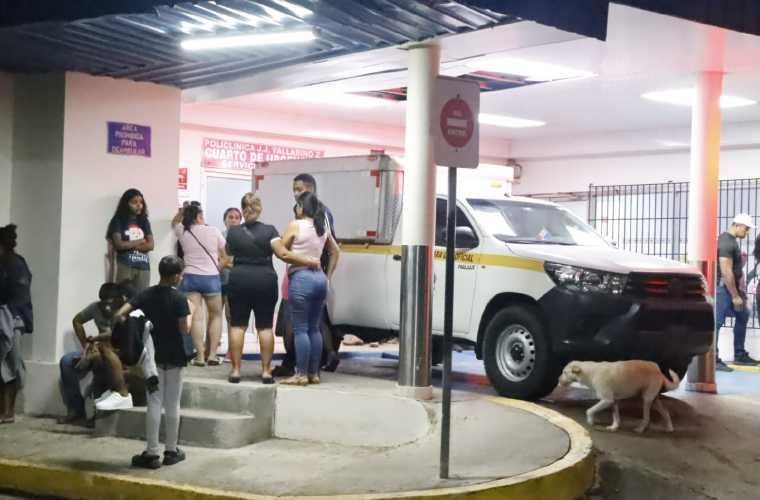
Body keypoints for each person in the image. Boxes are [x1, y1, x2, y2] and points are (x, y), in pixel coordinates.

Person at [225, 193, 320, 384]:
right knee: (265, 327)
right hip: (265, 280)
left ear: (242, 209)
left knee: (237, 326)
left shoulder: (232, 232)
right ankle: (266, 372)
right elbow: (283, 254)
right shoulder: (270, 231)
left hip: (239, 280)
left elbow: (227, 255)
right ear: (259, 208)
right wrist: (308, 261)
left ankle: (235, 371)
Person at [114, 255, 191, 469]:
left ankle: (152, 453)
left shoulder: (145, 295)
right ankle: (171, 450)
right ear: (174, 276)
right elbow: (184, 329)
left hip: (152, 357)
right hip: (175, 355)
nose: (181, 278)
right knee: (172, 403)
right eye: (180, 275)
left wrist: (134, 330)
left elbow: (120, 315)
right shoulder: (179, 298)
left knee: (154, 402)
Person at [273, 174, 340, 377]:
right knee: (313, 328)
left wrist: (274, 241)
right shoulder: (320, 224)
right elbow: (335, 250)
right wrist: (325, 276)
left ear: (309, 191)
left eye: (299, 189)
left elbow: (283, 252)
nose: (295, 194)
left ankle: (301, 373)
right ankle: (313, 373)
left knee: (300, 328)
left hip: (302, 277)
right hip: (318, 277)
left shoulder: (300, 223)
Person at [59, 283, 133, 424]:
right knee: (66, 362)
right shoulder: (95, 308)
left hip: (116, 353)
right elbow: (77, 320)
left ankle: (98, 415)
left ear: (118, 300)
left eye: (109, 303)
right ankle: (76, 410)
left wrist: (100, 344)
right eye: (103, 303)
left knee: (103, 364)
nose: (106, 307)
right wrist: (85, 344)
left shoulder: (124, 312)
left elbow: (120, 337)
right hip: (97, 348)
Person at [172, 203, 227, 367]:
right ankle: (212, 355)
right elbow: (225, 255)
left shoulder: (183, 231)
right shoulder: (214, 231)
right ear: (199, 216)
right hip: (211, 278)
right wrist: (218, 267)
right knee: (216, 316)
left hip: (190, 277)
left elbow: (175, 222)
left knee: (196, 317)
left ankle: (200, 357)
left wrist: (183, 211)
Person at [715, 213, 758, 371]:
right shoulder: (726, 242)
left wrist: (738, 293)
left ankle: (739, 354)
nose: (747, 232)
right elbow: (726, 271)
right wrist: (735, 296)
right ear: (737, 225)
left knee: (743, 314)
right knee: (717, 323)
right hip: (723, 289)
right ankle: (713, 359)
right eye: (746, 228)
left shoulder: (731, 241)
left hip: (729, 288)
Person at [0, 224, 32, 424]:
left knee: (11, 365)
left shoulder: (15, 264)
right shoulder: (10, 263)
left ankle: (8, 410)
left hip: (11, 319)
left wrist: (10, 317)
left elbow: (19, 297)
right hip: (8, 317)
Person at [107, 189, 154, 292]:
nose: (139, 205)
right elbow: (119, 244)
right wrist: (140, 241)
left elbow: (151, 245)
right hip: (125, 264)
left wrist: (129, 245)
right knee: (123, 297)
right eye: (134, 202)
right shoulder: (118, 220)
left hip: (143, 266)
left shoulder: (144, 221)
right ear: (126, 204)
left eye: (141, 202)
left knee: (142, 298)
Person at [220, 207, 242, 363]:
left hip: (234, 282)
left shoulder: (243, 238)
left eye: (236, 217)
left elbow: (238, 262)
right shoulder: (219, 236)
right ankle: (210, 351)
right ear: (225, 220)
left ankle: (232, 351)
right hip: (217, 280)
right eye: (230, 217)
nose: (233, 220)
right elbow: (218, 259)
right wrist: (226, 262)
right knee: (214, 316)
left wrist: (226, 262)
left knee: (231, 317)